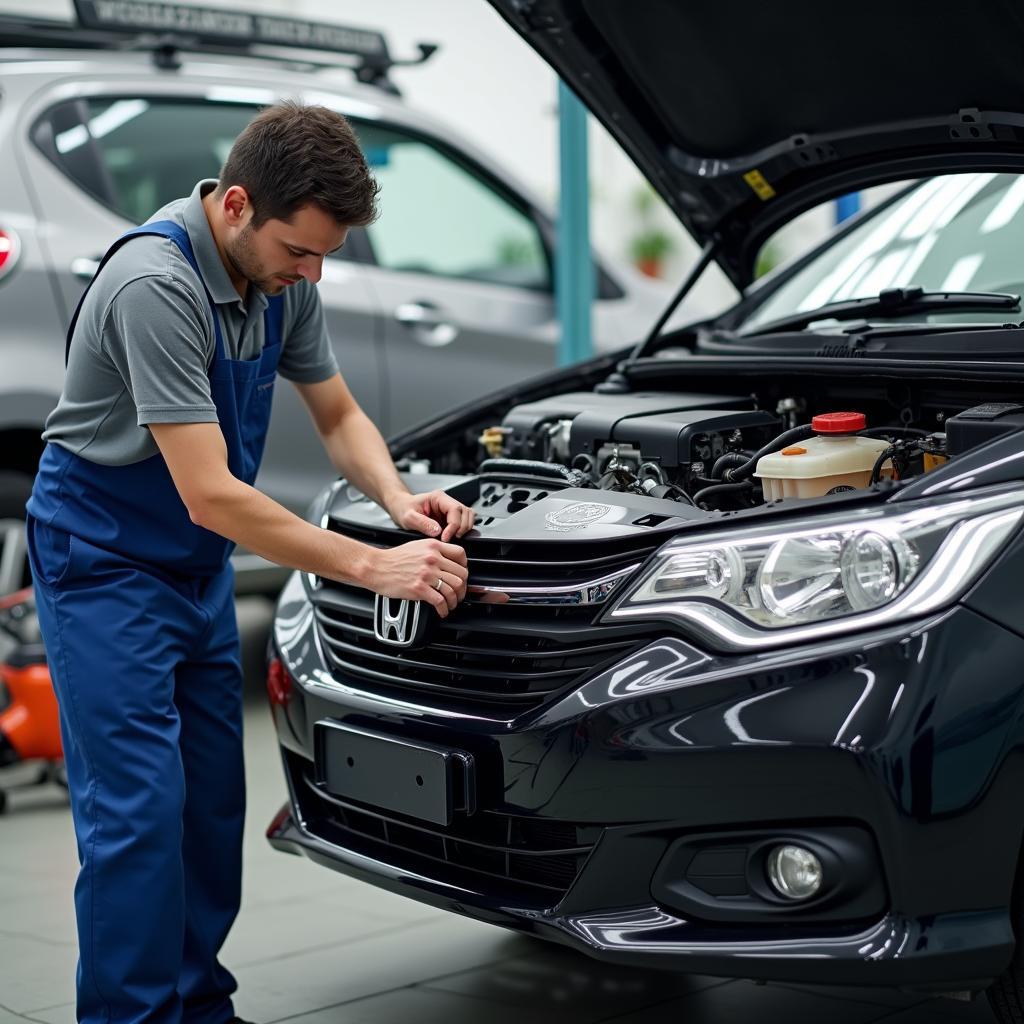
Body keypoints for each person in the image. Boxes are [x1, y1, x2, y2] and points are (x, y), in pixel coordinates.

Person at [25, 101, 475, 1024]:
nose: (312, 274)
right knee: (138, 818)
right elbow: (212, 493)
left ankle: (197, 1003)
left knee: (210, 808)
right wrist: (371, 565)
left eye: (323, 256)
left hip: (193, 567)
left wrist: (397, 503)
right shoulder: (156, 285)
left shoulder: (281, 279)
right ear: (236, 205)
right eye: (300, 251)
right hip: (105, 561)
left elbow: (340, 415)